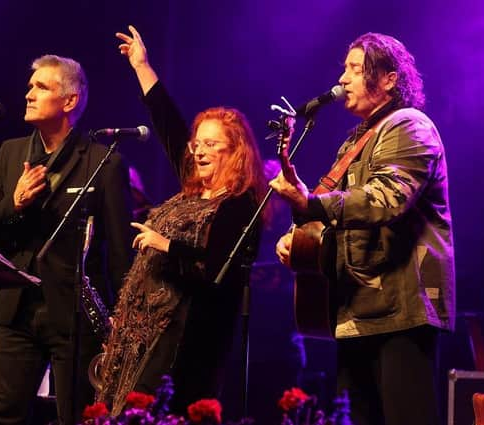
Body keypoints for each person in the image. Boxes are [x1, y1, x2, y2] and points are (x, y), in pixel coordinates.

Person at [270, 33, 455, 425]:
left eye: (356, 69)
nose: (344, 79)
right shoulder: (354, 141)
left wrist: (311, 204)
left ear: (389, 78)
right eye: (345, 69)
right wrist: (299, 237)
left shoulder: (410, 126)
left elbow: (385, 199)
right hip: (356, 309)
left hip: (401, 308)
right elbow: (330, 215)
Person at [92, 25, 268, 417]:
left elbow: (218, 264)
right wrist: (141, 66)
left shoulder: (240, 205)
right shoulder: (191, 190)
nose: (199, 151)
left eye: (211, 145)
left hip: (186, 337)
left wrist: (166, 244)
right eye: (197, 143)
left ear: (235, 153)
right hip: (141, 330)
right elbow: (168, 124)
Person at [0, 54, 134, 425]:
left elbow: (121, 254)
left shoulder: (102, 161)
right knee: (4, 416)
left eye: (41, 87)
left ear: (70, 101)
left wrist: (122, 326)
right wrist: (14, 204)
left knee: (78, 417)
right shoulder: (9, 153)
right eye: (31, 85)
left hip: (74, 315)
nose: (28, 93)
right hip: (16, 310)